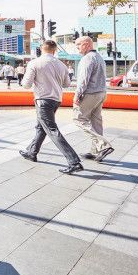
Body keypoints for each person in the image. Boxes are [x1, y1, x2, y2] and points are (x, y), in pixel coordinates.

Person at [19, 40, 83, 174]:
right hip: (56, 100)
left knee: (51, 130)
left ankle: (74, 161)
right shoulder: (62, 65)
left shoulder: (34, 63)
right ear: (54, 50)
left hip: (42, 100)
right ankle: (32, 152)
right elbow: (66, 84)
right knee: (41, 127)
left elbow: (26, 84)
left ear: (42, 49)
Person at [74, 36, 114, 162]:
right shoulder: (99, 57)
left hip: (90, 93)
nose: (77, 48)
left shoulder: (87, 58)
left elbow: (83, 79)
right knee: (96, 121)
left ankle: (103, 145)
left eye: (78, 45)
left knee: (78, 119)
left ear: (86, 44)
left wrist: (77, 95)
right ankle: (96, 151)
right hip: (101, 92)